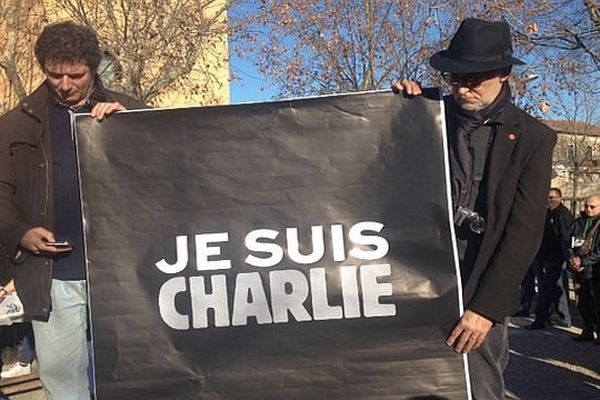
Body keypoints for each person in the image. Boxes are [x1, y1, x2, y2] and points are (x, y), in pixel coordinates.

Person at [392, 18, 556, 399]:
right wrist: (394, 107)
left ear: (502, 74)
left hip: (479, 286)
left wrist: (486, 308)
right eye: (454, 78)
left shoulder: (534, 139)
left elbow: (525, 231)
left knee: (478, 389)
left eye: (473, 79)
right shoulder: (426, 114)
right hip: (418, 279)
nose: (462, 87)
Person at [0, 21, 145, 400]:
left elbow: (166, 175)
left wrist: (131, 129)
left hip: (123, 273)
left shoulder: (131, 112)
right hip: (54, 277)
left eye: (76, 75)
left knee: (133, 377)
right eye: (54, 75)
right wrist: (20, 232)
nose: (65, 84)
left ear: (94, 67)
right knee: (64, 385)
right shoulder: (14, 124)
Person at [527, 188, 574, 329]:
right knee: (546, 287)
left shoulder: (563, 215)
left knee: (552, 287)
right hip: (542, 255)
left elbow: (565, 238)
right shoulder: (546, 213)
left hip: (555, 257)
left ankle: (556, 317)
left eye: (552, 198)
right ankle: (550, 316)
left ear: (560, 198)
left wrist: (568, 257)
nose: (549, 200)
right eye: (547, 197)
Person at [567, 195, 600, 343]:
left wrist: (584, 261)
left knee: (597, 302)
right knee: (581, 300)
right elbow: (568, 240)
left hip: (595, 269)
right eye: (586, 206)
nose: (588, 209)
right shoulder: (578, 222)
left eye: (592, 207)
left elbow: (599, 251)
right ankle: (587, 329)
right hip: (578, 267)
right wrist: (572, 259)